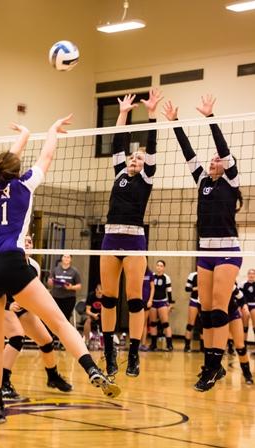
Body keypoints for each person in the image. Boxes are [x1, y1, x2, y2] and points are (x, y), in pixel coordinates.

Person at [0, 118, 120, 426]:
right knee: (59, 323)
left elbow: (4, 165)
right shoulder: (24, 185)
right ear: (16, 171)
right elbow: (46, 156)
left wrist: (23, 136)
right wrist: (50, 133)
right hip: (13, 263)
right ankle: (91, 369)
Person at [163, 94, 243, 392]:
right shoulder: (202, 181)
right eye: (211, 160)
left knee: (220, 309)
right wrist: (175, 123)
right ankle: (214, 365)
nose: (212, 161)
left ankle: (211, 367)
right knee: (208, 311)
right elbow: (188, 153)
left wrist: (210, 118)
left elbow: (223, 148)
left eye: (217, 160)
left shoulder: (231, 181)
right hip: (205, 250)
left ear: (225, 166)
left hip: (227, 251)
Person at [100, 88, 163, 377]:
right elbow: (117, 142)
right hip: (111, 237)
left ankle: (134, 353)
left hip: (135, 238)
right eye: (131, 158)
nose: (134, 161)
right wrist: (123, 113)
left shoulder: (146, 177)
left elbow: (151, 148)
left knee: (135, 299)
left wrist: (151, 115)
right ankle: (110, 354)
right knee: (110, 299)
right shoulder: (119, 173)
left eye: (138, 158)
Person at [2, 234, 72, 400]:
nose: (27, 243)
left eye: (30, 241)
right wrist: (8, 305)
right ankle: (3, 383)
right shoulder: (6, 263)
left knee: (46, 341)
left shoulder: (34, 266)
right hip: (2, 307)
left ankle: (53, 377)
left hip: (23, 309)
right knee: (16, 337)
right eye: (24, 241)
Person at [228, 284, 253, 384]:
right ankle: (209, 372)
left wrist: (244, 306)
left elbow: (241, 297)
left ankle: (247, 375)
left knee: (240, 347)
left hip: (232, 313)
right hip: (218, 315)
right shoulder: (207, 285)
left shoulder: (230, 284)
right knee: (216, 348)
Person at [47, 254, 81, 323]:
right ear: (61, 258)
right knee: (55, 318)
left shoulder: (74, 271)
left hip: (69, 298)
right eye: (64, 257)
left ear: (71, 259)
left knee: (65, 319)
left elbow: (79, 286)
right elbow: (49, 282)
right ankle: (54, 333)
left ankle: (64, 333)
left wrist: (71, 287)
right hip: (56, 297)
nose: (66, 258)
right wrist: (50, 282)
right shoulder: (55, 269)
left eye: (68, 257)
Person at [149, 260, 174, 351]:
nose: (159, 267)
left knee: (165, 324)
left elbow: (169, 291)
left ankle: (169, 345)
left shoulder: (166, 278)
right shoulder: (152, 276)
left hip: (162, 302)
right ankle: (153, 344)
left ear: (164, 268)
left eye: (161, 266)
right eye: (158, 265)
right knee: (153, 324)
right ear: (156, 267)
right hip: (153, 302)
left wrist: (170, 304)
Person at [184, 271, 203, 353]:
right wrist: (196, 288)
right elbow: (187, 288)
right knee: (190, 324)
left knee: (203, 325)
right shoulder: (193, 275)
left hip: (204, 302)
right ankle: (187, 346)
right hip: (194, 301)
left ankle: (203, 347)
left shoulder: (211, 274)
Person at [139, 265, 155, 351]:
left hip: (146, 302)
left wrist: (150, 300)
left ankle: (143, 344)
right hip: (138, 301)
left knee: (144, 323)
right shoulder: (137, 271)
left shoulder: (150, 273)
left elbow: (152, 288)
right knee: (137, 323)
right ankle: (135, 343)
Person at [239, 268, 255, 340]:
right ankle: (244, 346)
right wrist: (242, 306)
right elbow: (241, 296)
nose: (251, 275)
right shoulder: (243, 284)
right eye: (250, 273)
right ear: (248, 275)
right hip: (245, 305)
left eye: (253, 273)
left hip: (254, 305)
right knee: (244, 327)